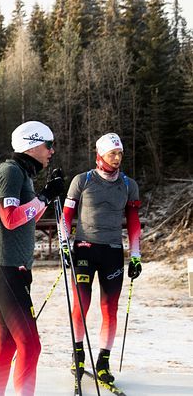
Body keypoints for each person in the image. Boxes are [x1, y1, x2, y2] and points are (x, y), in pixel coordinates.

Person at [0, 121, 64, 396]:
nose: (52, 151)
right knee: (31, 345)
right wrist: (44, 196)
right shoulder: (10, 171)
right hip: (4, 267)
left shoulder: (24, 175)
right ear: (32, 144)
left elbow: (29, 216)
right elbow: (10, 219)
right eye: (48, 145)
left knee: (7, 344)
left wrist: (47, 195)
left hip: (13, 268)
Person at [63, 133, 141, 385]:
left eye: (120, 153)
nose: (117, 158)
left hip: (112, 252)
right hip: (84, 249)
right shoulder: (82, 180)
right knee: (81, 305)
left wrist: (136, 254)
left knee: (110, 309)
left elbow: (133, 222)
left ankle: (103, 362)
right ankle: (78, 355)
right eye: (112, 154)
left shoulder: (129, 185)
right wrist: (64, 245)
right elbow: (66, 215)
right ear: (100, 155)